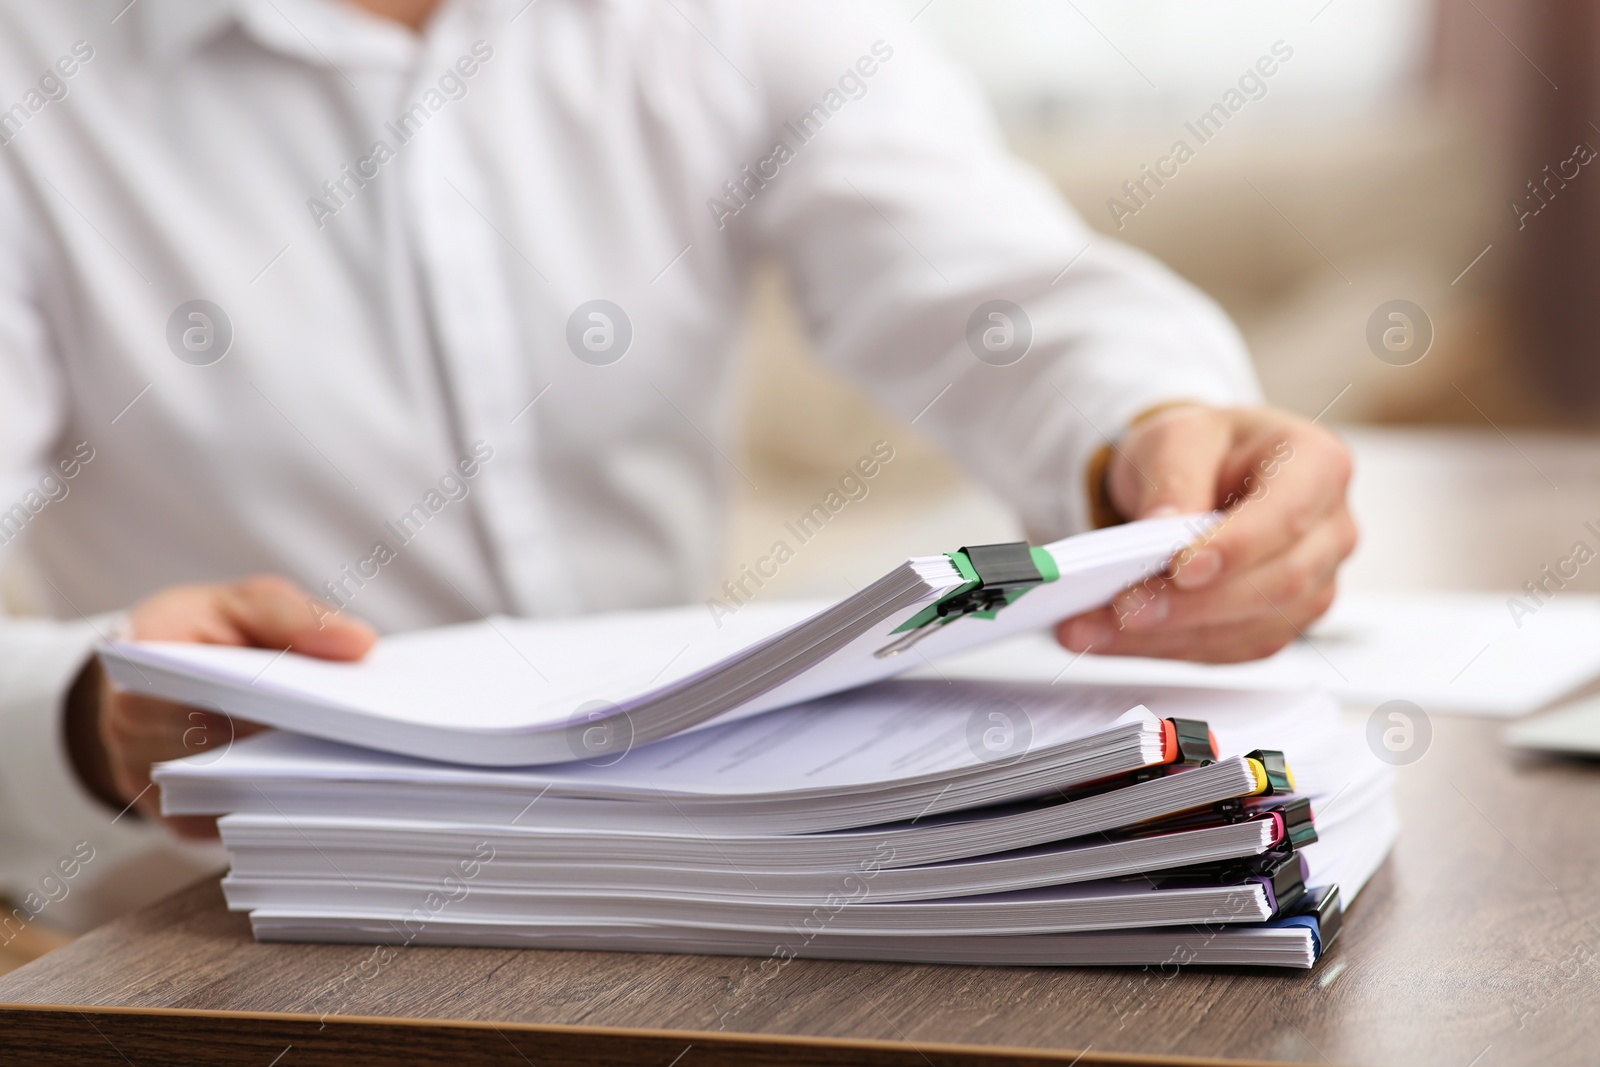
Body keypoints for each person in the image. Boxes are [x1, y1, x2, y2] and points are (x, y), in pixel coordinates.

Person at [0, 0, 1354, 920]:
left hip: (709, 895)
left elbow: (996, 289)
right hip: (211, 936)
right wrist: (89, 711)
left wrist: (1153, 428)